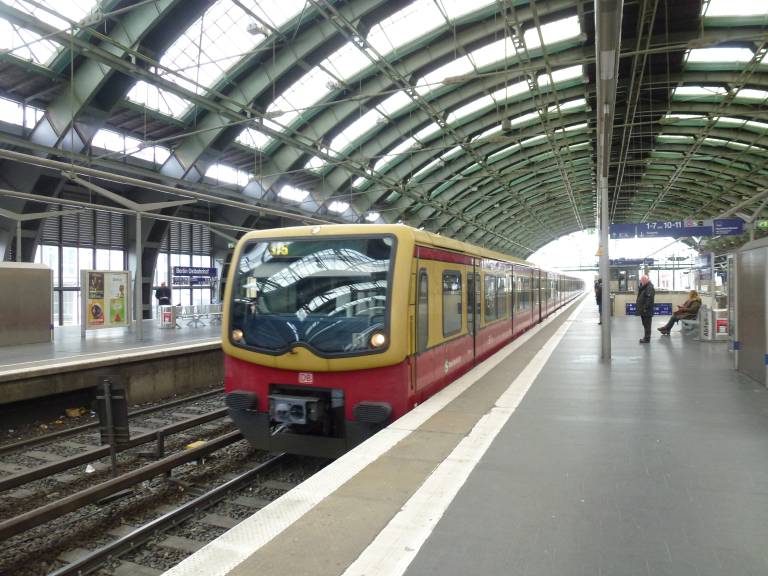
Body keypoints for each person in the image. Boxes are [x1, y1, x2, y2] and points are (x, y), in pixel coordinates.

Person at [636, 274, 655, 344]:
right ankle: (646, 337)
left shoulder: (649, 287)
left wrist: (644, 308)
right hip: (644, 310)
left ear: (646, 280)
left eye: (642, 281)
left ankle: (647, 339)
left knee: (647, 325)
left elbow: (649, 299)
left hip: (647, 310)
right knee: (645, 324)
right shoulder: (645, 287)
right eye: (641, 281)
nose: (641, 282)